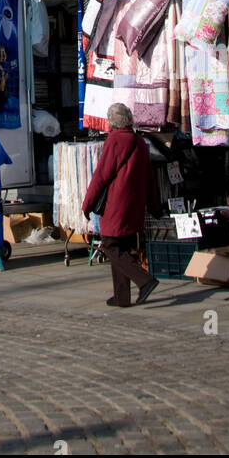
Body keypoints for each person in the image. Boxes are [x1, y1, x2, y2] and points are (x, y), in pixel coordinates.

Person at [82, 102, 161, 308]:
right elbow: (149, 177)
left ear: (111, 122)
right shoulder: (139, 142)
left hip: (116, 204)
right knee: (121, 246)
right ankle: (121, 297)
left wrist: (87, 204)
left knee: (110, 245)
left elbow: (101, 176)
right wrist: (154, 205)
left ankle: (145, 280)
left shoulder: (114, 141)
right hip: (134, 204)